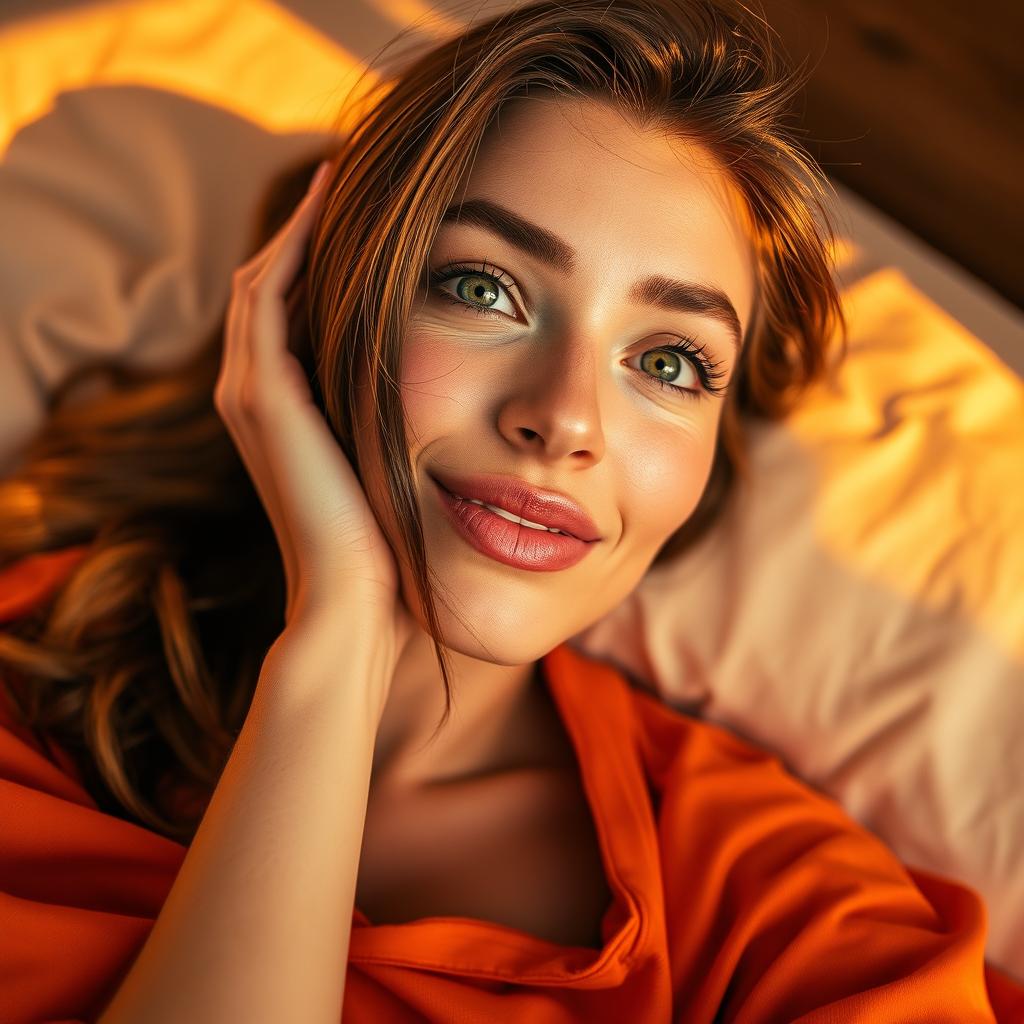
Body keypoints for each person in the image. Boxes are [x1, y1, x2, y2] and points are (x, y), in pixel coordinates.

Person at [0, 0, 1021, 1021]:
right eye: (485, 289)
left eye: (667, 362)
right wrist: (338, 641)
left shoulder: (783, 910)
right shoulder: (29, 686)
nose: (564, 417)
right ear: (318, 302)